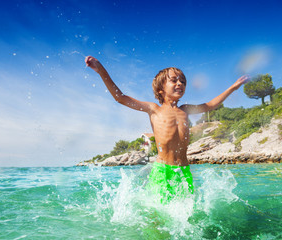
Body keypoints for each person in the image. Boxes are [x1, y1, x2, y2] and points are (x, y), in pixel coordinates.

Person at [85, 56, 249, 203]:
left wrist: (233, 87)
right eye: (174, 80)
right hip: (162, 171)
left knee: (186, 214)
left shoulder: (185, 109)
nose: (180, 83)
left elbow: (211, 105)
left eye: (183, 81)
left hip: (184, 172)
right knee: (160, 214)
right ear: (161, 89)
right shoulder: (154, 109)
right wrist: (100, 70)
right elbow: (120, 98)